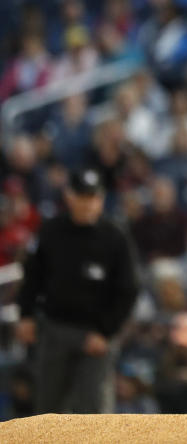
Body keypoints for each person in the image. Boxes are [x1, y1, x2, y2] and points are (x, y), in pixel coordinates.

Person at [14, 168, 139, 413]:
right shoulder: (51, 231)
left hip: (96, 334)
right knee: (49, 407)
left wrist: (105, 331)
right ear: (69, 196)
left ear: (101, 199)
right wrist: (25, 314)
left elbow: (128, 289)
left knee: (93, 407)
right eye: (82, 197)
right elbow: (32, 276)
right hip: (56, 328)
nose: (88, 204)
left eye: (93, 197)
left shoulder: (114, 237)